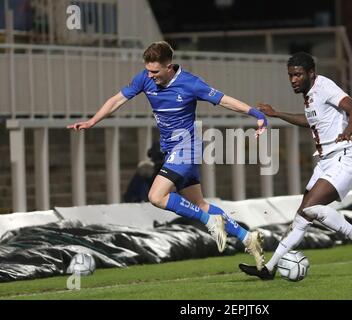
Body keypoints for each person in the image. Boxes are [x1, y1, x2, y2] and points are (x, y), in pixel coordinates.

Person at [67, 41, 267, 269]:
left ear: (169, 67)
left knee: (156, 196)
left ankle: (212, 222)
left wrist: (255, 113)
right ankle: (248, 238)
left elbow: (224, 100)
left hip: (187, 148)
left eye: (155, 71)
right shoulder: (144, 78)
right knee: (200, 204)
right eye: (148, 70)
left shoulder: (190, 83)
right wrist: (93, 121)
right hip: (172, 151)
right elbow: (117, 100)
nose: (150, 76)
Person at [239, 52, 352, 280]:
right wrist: (277, 113)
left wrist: (346, 133)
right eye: (290, 75)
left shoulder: (324, 87)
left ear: (311, 73)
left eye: (298, 74)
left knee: (311, 209)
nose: (293, 79)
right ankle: (268, 269)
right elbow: (309, 121)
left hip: (345, 157)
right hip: (326, 162)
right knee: (302, 217)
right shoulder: (311, 95)